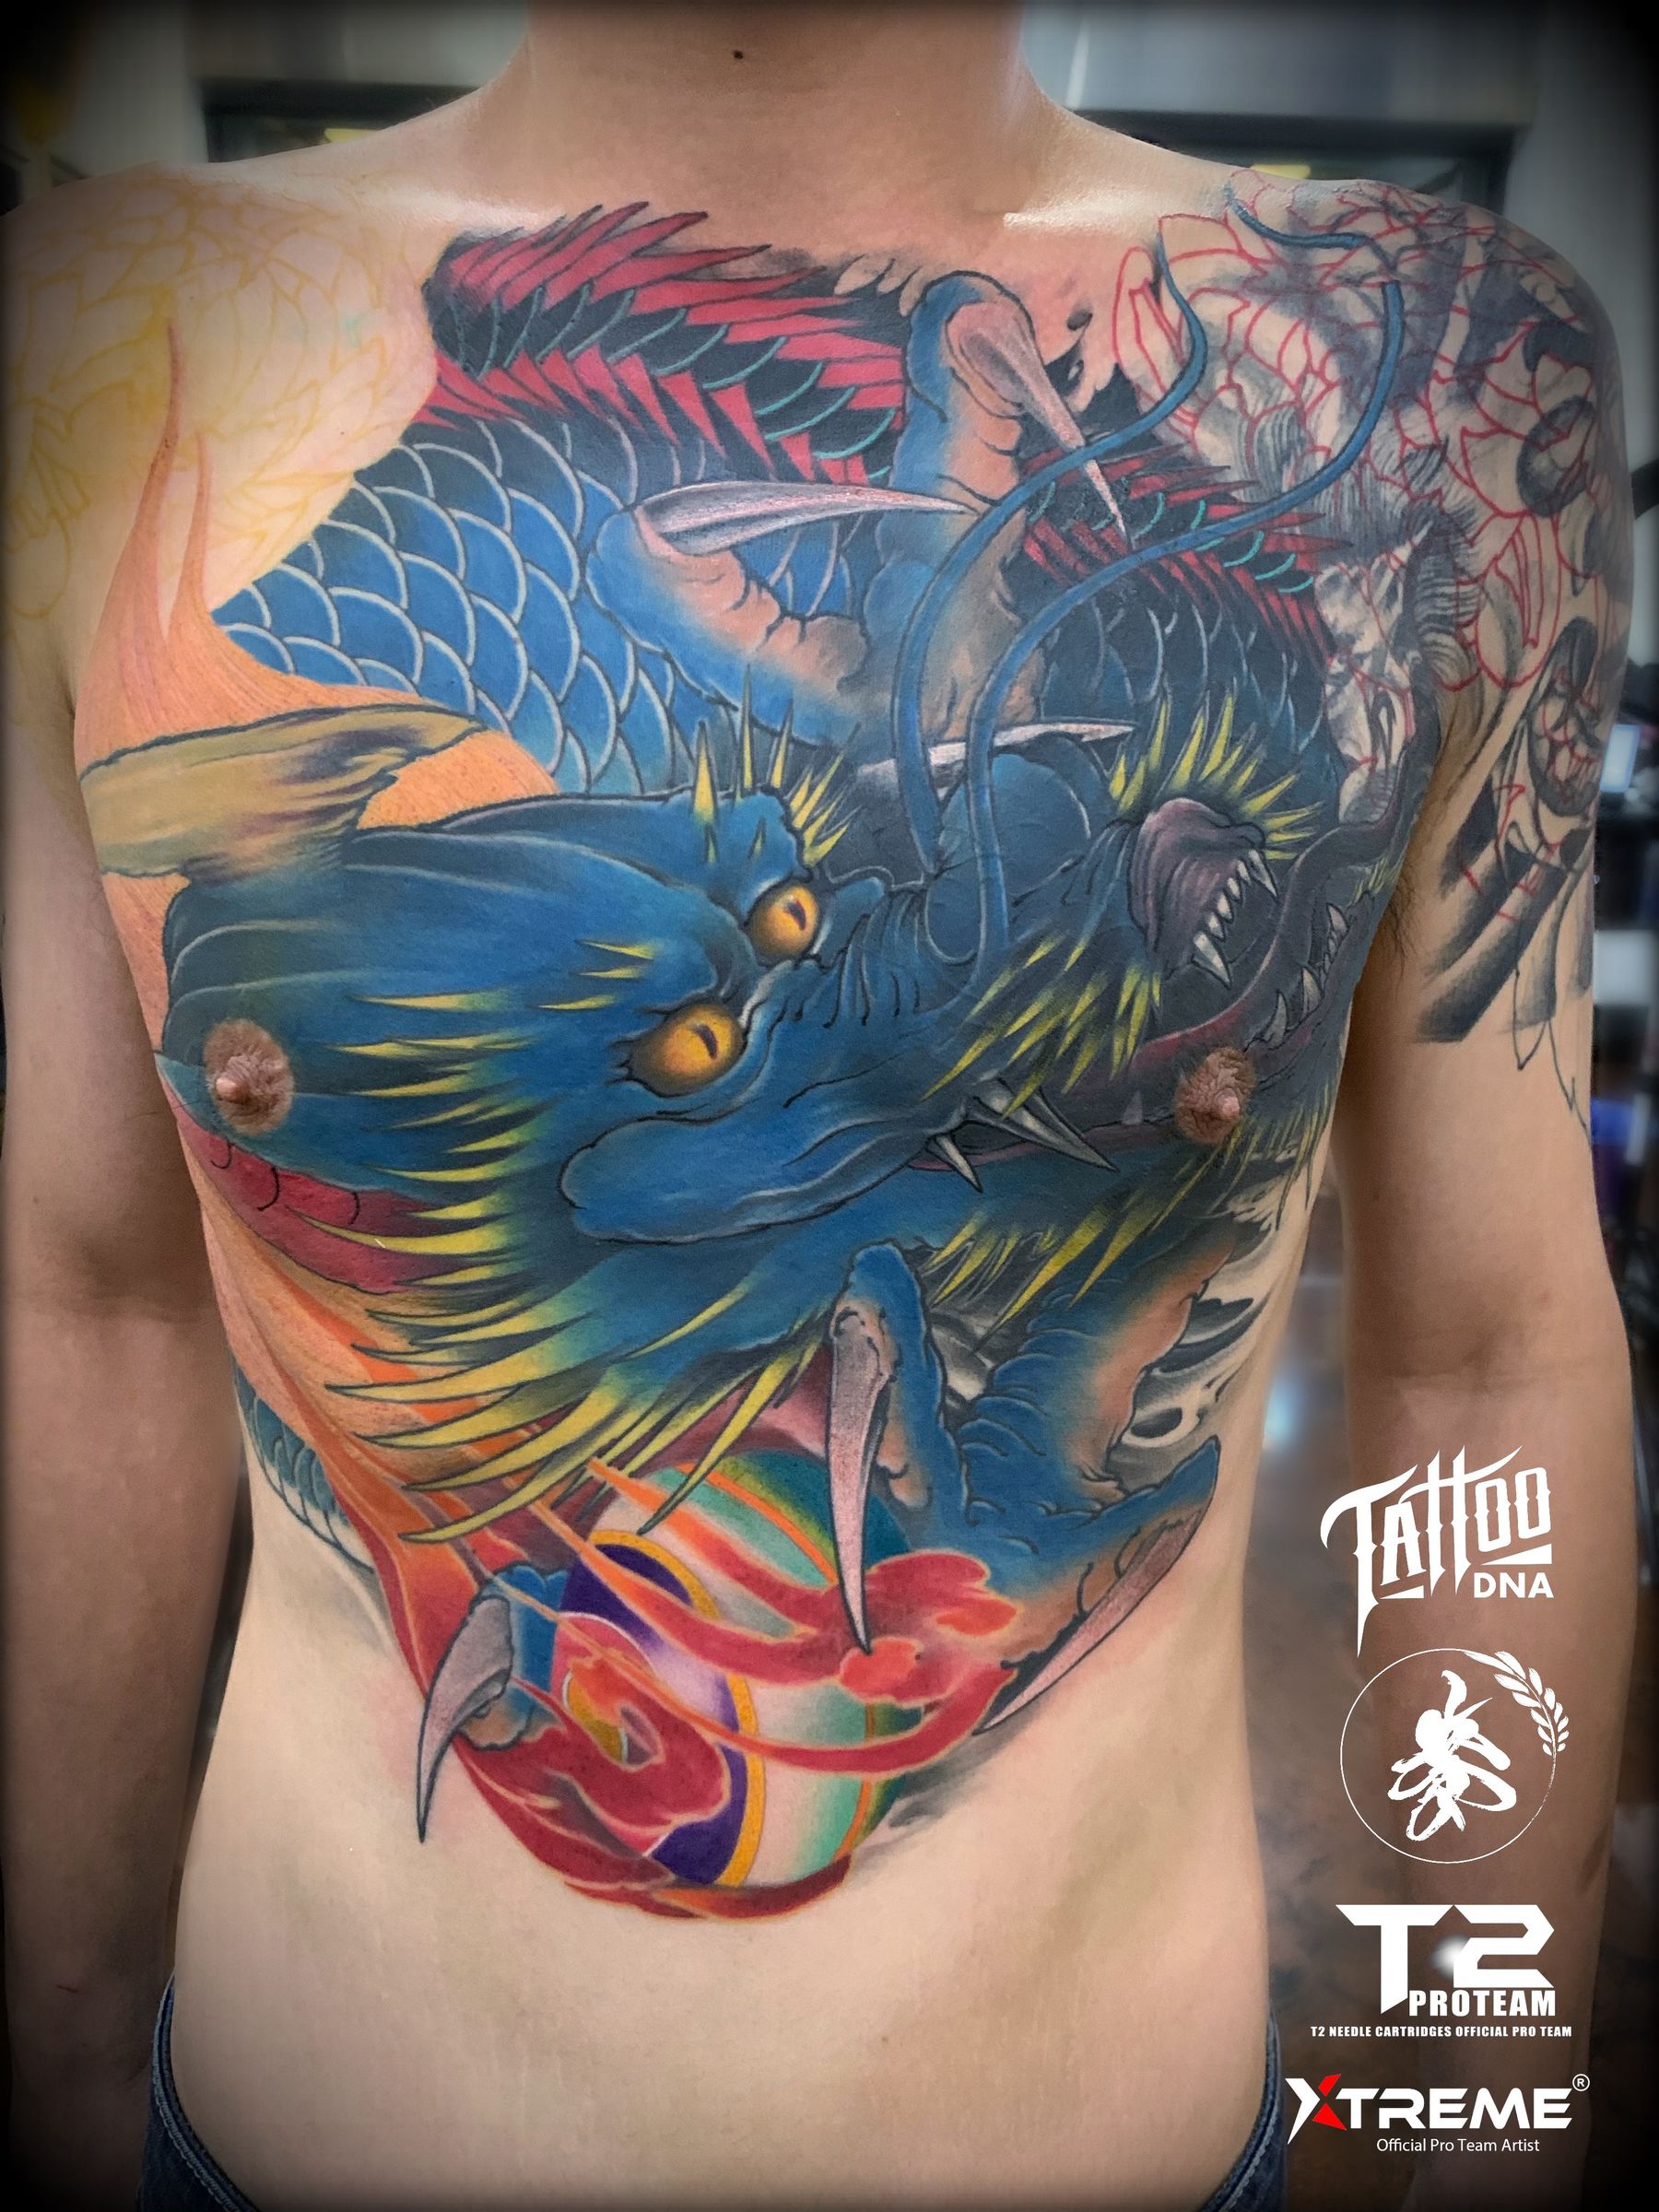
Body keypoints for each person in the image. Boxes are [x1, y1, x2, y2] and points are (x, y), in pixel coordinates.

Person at [2, 6, 1636, 2206]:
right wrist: (59, 2032)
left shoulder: (1450, 385)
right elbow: (90, 1294)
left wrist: (1492, 2096)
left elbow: (1489, 1355)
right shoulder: (104, 340)